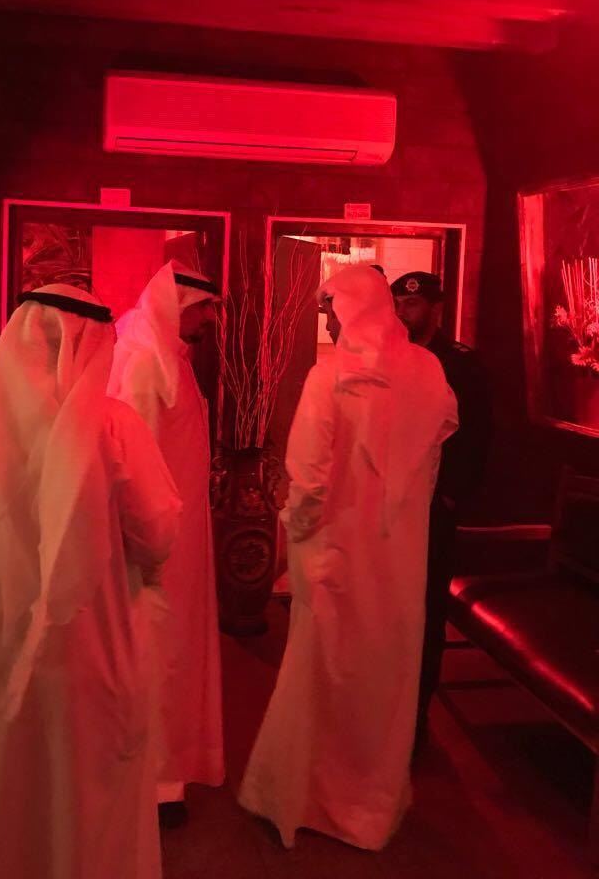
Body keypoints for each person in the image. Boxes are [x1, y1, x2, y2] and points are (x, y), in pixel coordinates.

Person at [0, 284, 182, 879]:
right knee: (88, 797)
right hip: (90, 649)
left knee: (4, 786)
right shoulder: (112, 427)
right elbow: (158, 534)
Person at [239, 265, 457, 851]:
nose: (330, 323)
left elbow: (309, 479)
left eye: (331, 311)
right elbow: (437, 447)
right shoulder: (427, 369)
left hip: (335, 548)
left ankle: (309, 796)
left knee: (326, 668)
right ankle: (369, 801)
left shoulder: (330, 373)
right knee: (384, 670)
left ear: (352, 310)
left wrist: (294, 529)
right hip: (400, 551)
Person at [108, 261, 224, 826]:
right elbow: (134, 466)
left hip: (181, 539)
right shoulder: (142, 361)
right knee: (156, 653)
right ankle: (152, 783)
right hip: (155, 546)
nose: (209, 320)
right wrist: (145, 546)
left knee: (176, 652)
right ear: (179, 307)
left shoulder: (170, 356)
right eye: (203, 309)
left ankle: (170, 769)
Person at [390, 271, 493, 740]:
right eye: (397, 304)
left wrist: (451, 495)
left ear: (435, 309)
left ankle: (418, 711)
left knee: (427, 604)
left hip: (434, 503)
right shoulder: (392, 356)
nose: (401, 312)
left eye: (411, 305)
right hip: (395, 501)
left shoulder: (460, 363)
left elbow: (476, 435)